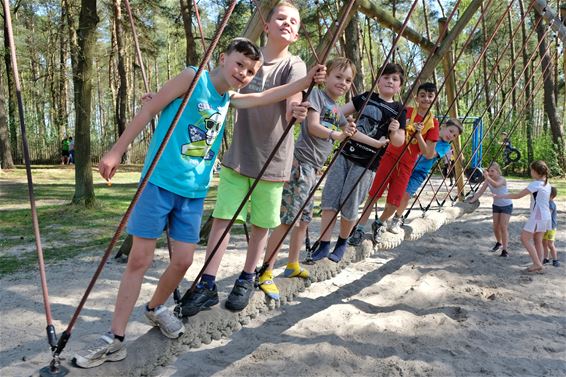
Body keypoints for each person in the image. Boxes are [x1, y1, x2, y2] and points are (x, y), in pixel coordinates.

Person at [73, 37, 325, 368]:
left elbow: (265, 97)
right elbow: (150, 108)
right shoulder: (193, 78)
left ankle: (155, 308)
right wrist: (117, 150)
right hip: (159, 183)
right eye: (239, 64)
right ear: (222, 58)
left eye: (250, 71)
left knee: (183, 261)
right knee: (140, 260)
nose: (243, 74)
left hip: (193, 192)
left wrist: (305, 82)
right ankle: (115, 338)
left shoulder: (230, 98)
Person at [179, 1, 313, 314]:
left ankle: (247, 276)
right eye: (280, 18)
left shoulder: (295, 66)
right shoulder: (247, 61)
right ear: (266, 26)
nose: (286, 24)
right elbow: (216, 88)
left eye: (293, 21)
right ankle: (207, 281)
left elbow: (294, 101)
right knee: (223, 219)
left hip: (274, 157)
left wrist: (297, 112)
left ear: (295, 35)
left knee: (262, 224)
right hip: (239, 154)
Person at [258, 58, 357, 299]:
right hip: (301, 166)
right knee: (287, 219)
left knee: (303, 221)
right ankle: (266, 271)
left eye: (348, 80)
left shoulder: (335, 107)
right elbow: (312, 126)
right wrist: (337, 134)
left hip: (313, 170)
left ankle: (292, 264)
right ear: (326, 77)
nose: (343, 83)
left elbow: (350, 132)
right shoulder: (316, 97)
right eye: (338, 77)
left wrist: (373, 141)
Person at [309, 62, 407, 263]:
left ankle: (342, 241)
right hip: (344, 154)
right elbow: (337, 112)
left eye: (395, 79)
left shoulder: (399, 109)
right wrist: (334, 121)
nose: (390, 81)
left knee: (350, 203)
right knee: (330, 199)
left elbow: (398, 142)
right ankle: (324, 242)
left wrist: (395, 130)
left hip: (367, 163)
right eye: (386, 77)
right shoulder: (365, 97)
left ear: (400, 86)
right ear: (378, 80)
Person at [350, 82, 439, 246]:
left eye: (430, 96)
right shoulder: (405, 111)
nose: (426, 99)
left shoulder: (433, 123)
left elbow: (427, 153)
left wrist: (419, 135)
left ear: (435, 98)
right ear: (416, 97)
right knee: (374, 195)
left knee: (393, 203)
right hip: (390, 157)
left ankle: (380, 222)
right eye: (423, 95)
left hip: (406, 165)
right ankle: (360, 229)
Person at [391, 118, 463, 228]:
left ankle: (397, 218)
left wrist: (419, 136)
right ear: (443, 126)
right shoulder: (428, 131)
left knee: (406, 195)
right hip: (406, 165)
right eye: (451, 131)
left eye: (454, 136)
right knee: (395, 193)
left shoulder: (445, 146)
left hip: (419, 173)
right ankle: (385, 218)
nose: (451, 136)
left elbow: (429, 154)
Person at [494, 160, 551, 273]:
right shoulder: (547, 184)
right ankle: (539, 264)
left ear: (535, 171)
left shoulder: (535, 184)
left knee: (524, 238)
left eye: (531, 170)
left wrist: (502, 196)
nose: (530, 172)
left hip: (538, 215)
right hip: (546, 216)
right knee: (537, 240)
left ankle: (537, 264)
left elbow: (518, 195)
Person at [468, 162, 513, 257]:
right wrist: (472, 201)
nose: (490, 173)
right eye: (489, 171)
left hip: (506, 205)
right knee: (495, 226)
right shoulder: (488, 181)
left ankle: (505, 250)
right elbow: (480, 192)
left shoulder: (502, 179)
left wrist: (487, 177)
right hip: (496, 205)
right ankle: (498, 242)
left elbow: (496, 185)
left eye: (492, 171)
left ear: (497, 171)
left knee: (503, 226)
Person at [542, 186, 559, 267]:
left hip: (551, 227)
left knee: (550, 244)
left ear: (551, 196)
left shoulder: (551, 204)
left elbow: (548, 215)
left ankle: (555, 259)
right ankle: (546, 258)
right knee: (544, 243)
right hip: (545, 227)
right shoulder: (546, 203)